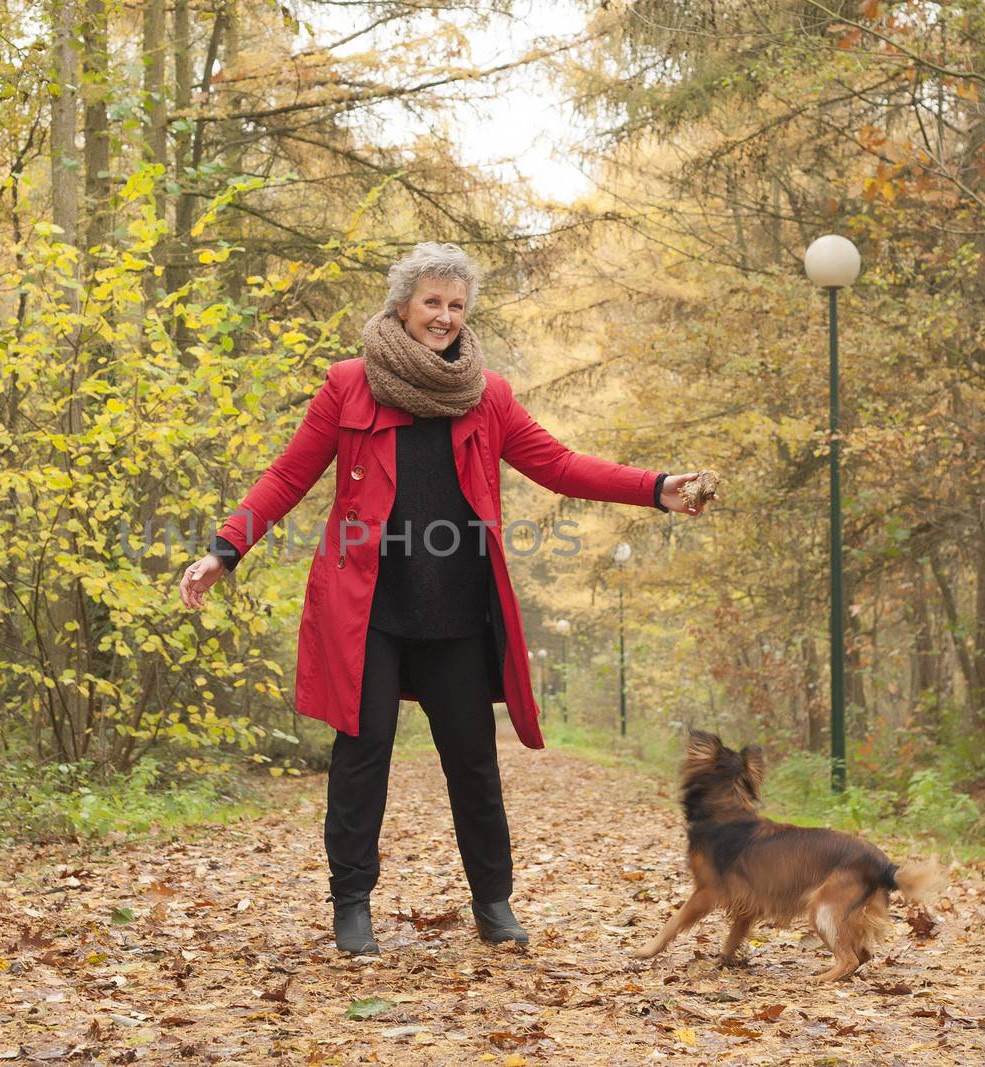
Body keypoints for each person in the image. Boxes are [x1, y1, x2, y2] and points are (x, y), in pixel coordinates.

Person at [178, 242, 709, 954]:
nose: (445, 317)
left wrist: (654, 486)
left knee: (473, 765)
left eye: (457, 306)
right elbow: (288, 476)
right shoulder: (348, 385)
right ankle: (353, 906)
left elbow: (557, 465)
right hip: (369, 610)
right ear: (402, 303)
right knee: (361, 758)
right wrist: (224, 549)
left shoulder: (488, 394)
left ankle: (494, 903)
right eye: (433, 302)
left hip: (458, 610)